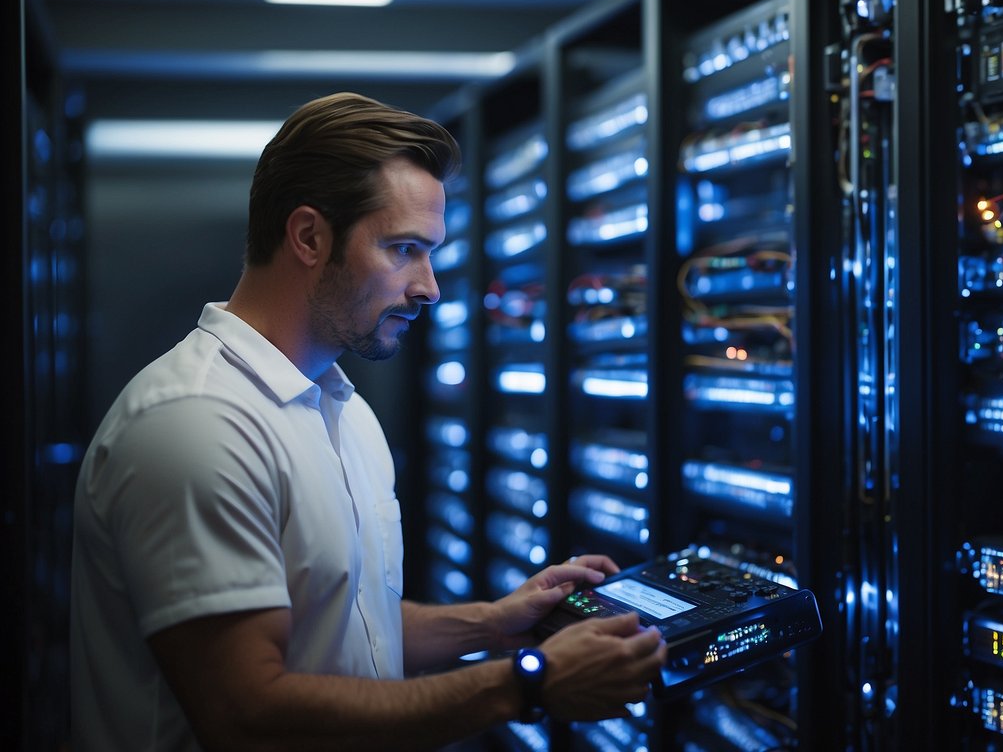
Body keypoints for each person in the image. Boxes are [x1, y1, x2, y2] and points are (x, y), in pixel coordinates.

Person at [69, 91, 667, 751]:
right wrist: (524, 684)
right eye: (403, 248)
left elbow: (344, 623)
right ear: (307, 236)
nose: (429, 286)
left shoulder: (340, 408)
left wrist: (492, 626)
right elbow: (247, 712)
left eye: (430, 251)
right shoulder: (195, 426)